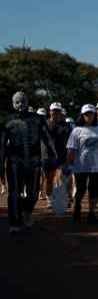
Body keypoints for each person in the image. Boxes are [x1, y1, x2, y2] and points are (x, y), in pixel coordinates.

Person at [0, 92, 57, 234]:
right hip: (14, 161)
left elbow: (47, 138)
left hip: (34, 160)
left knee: (33, 192)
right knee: (14, 192)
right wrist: (0, 162)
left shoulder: (38, 119)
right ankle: (14, 222)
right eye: (17, 102)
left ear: (27, 102)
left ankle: (27, 210)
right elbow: (1, 144)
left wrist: (53, 154)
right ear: (13, 103)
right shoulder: (7, 121)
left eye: (23, 101)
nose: (21, 105)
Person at [63, 104, 98, 224]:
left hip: (96, 165)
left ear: (94, 115)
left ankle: (91, 213)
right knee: (80, 189)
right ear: (82, 115)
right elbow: (71, 149)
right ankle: (77, 207)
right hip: (81, 166)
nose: (89, 116)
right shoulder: (76, 131)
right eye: (86, 114)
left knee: (94, 190)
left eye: (91, 114)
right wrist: (67, 164)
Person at [43, 102, 72, 208]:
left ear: (61, 112)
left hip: (62, 155)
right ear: (50, 112)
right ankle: (50, 199)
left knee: (63, 177)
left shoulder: (66, 125)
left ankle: (66, 197)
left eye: (58, 111)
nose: (56, 113)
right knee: (49, 179)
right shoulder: (44, 125)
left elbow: (70, 140)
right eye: (54, 111)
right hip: (48, 156)